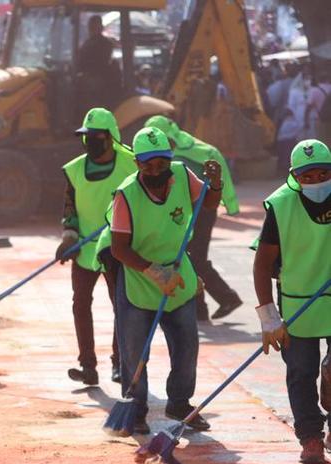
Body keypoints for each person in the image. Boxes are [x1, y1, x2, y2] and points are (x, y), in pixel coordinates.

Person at [110, 126, 222, 434]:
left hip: (178, 274)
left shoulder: (184, 176)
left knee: (187, 345)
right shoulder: (126, 195)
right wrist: (156, 273)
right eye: (149, 165)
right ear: (138, 164)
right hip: (140, 279)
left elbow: (209, 203)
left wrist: (216, 184)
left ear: (169, 159)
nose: (156, 170)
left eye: (162, 163)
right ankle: (135, 409)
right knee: (135, 351)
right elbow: (119, 248)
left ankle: (179, 403)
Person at [253, 139, 331, 464]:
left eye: (322, 174)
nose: (315, 182)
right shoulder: (281, 206)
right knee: (301, 371)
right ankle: (310, 436)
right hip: (299, 304)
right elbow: (261, 263)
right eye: (306, 176)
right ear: (294, 177)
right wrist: (269, 318)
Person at [56, 108, 136, 386]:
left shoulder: (132, 163)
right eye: (86, 137)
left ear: (111, 137)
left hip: (118, 247)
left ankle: (120, 362)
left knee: (122, 307)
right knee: (80, 305)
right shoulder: (75, 169)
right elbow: (70, 207)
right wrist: (69, 234)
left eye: (96, 137)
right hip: (85, 247)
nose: (90, 142)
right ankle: (87, 366)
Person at [146, 115, 243, 322]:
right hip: (180, 211)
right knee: (187, 258)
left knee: (194, 258)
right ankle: (206, 307)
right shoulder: (158, 156)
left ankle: (221, 300)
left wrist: (231, 204)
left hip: (203, 209)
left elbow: (220, 173)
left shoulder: (200, 151)